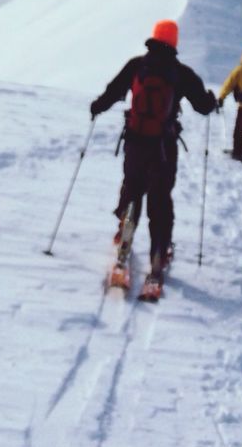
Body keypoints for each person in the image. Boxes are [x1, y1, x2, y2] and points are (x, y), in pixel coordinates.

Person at [90, 19, 217, 285]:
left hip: (136, 141)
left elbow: (114, 91)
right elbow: (203, 106)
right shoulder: (180, 72)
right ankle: (159, 252)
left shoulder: (138, 66)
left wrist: (97, 107)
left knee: (132, 185)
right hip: (163, 147)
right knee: (160, 200)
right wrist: (210, 100)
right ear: (174, 41)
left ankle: (125, 228)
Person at [218, 45, 242, 161]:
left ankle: (239, 153)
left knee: (239, 131)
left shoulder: (240, 70)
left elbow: (228, 84)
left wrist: (221, 97)